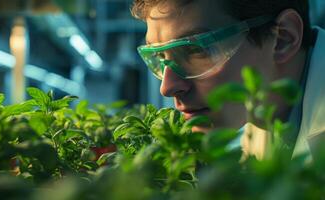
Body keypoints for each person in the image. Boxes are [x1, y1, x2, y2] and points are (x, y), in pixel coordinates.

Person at [131, 0, 325, 160]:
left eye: (196, 50)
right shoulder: (258, 123)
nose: (167, 87)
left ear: (283, 38)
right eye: (160, 57)